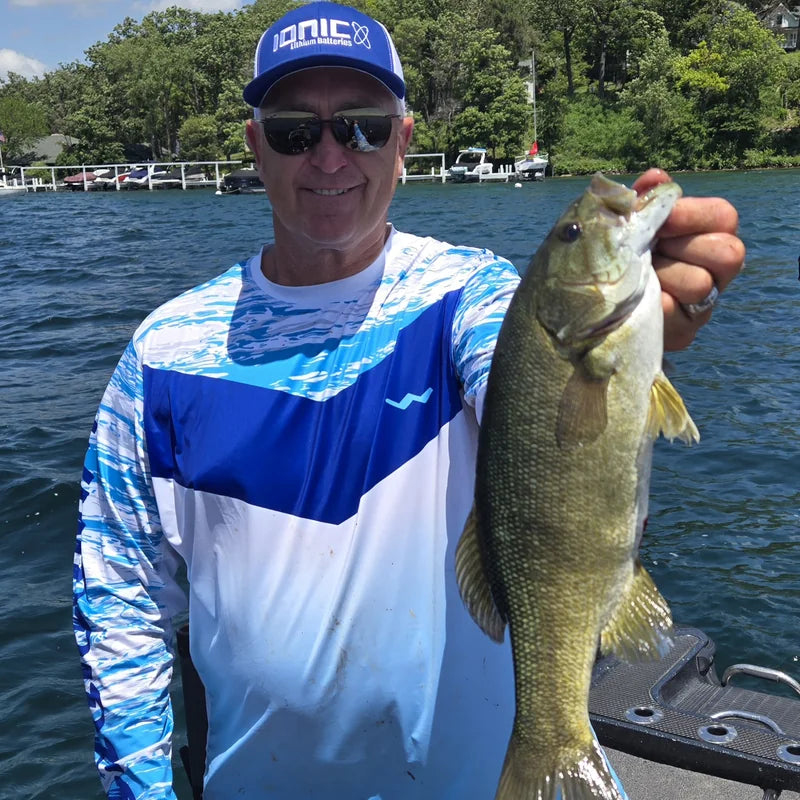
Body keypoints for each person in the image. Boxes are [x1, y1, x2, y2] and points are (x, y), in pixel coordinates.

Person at [72, 3, 745, 798]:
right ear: (255, 147)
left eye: (361, 126)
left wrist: (648, 332)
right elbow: (119, 593)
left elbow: (530, 389)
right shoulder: (163, 353)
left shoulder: (473, 298)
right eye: (295, 130)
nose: (330, 155)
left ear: (403, 141)